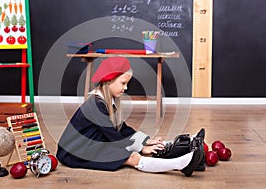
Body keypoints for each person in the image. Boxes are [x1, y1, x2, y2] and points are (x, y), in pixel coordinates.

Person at [57, 56, 204, 177]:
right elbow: (114, 137)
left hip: (93, 144)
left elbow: (123, 129)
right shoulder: (95, 105)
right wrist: (141, 148)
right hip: (77, 152)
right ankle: (182, 164)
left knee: (137, 148)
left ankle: (185, 144)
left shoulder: (107, 102)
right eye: (123, 83)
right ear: (108, 81)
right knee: (131, 157)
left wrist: (147, 141)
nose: (126, 88)